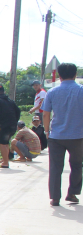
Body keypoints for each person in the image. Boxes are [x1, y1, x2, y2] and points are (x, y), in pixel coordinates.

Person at [41, 62, 83, 206]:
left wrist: (47, 131)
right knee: (77, 165)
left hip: (56, 136)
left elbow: (46, 114)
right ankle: (72, 193)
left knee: (55, 167)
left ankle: (55, 198)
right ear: (75, 74)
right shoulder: (81, 91)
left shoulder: (52, 92)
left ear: (59, 76)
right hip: (78, 136)